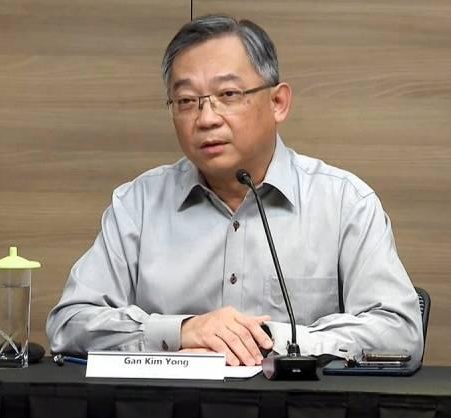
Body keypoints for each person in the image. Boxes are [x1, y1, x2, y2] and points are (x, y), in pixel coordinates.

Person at [47, 15, 423, 367]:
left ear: (278, 103)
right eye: (186, 101)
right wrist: (180, 332)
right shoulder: (138, 204)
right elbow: (69, 324)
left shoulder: (344, 203)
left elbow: (400, 333)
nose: (206, 118)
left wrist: (273, 340)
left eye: (227, 94)